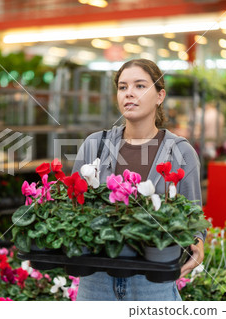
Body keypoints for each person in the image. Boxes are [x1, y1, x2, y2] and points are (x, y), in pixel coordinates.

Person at [71, 58, 206, 301]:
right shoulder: (95, 145)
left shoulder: (181, 152)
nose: (129, 93)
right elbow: (70, 207)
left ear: (159, 96)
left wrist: (198, 242)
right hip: (96, 282)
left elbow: (193, 216)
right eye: (123, 87)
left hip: (152, 283)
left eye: (140, 86)